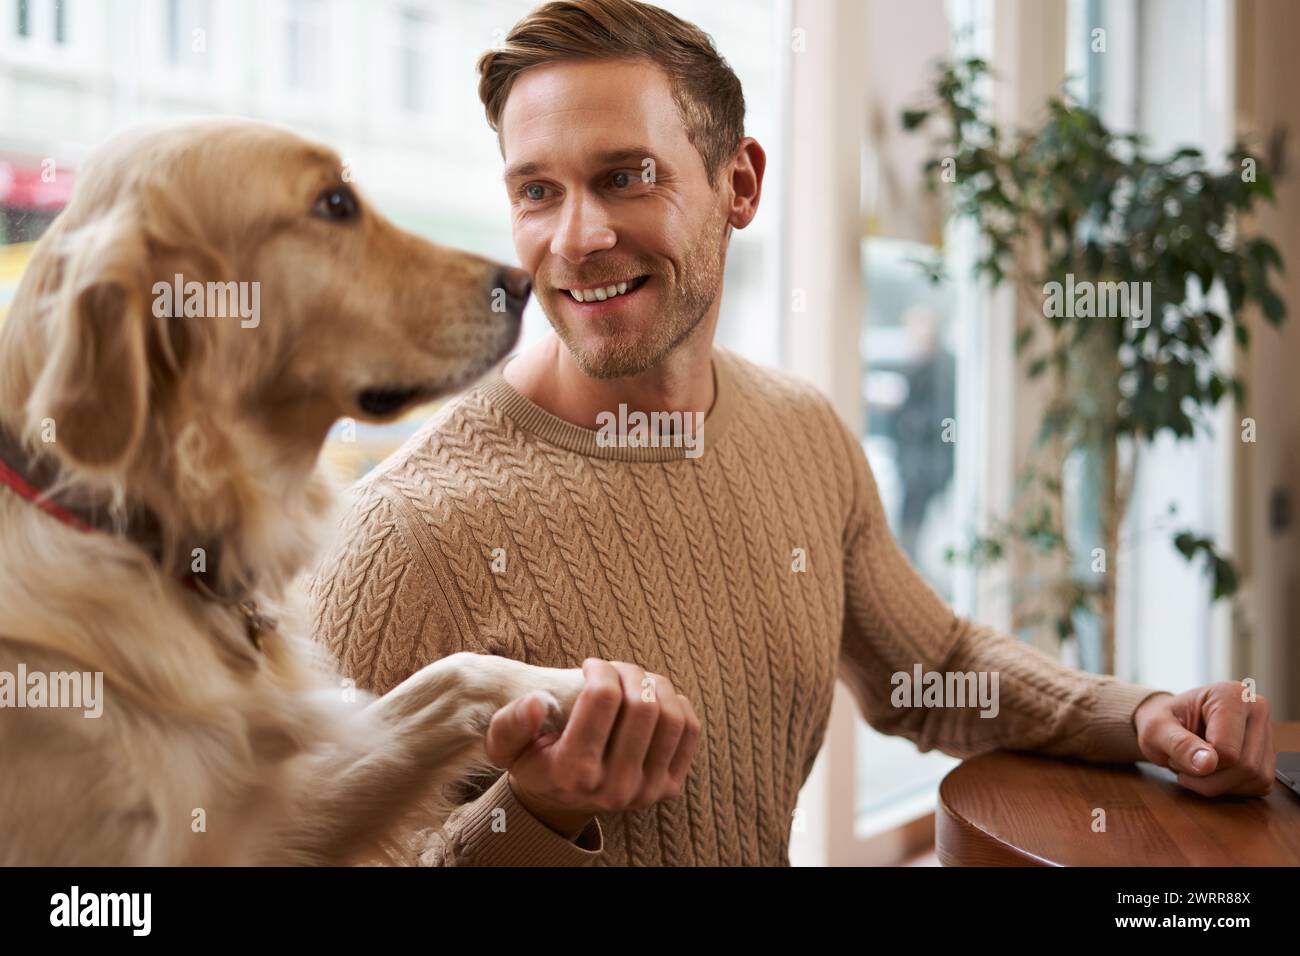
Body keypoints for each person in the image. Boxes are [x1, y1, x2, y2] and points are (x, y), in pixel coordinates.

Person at [309, 0, 1275, 866]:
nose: (576, 237)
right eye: (536, 191)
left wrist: (1141, 715)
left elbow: (934, 672)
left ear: (740, 183)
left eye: (624, 177)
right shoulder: (401, 535)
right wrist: (539, 817)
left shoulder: (802, 432)